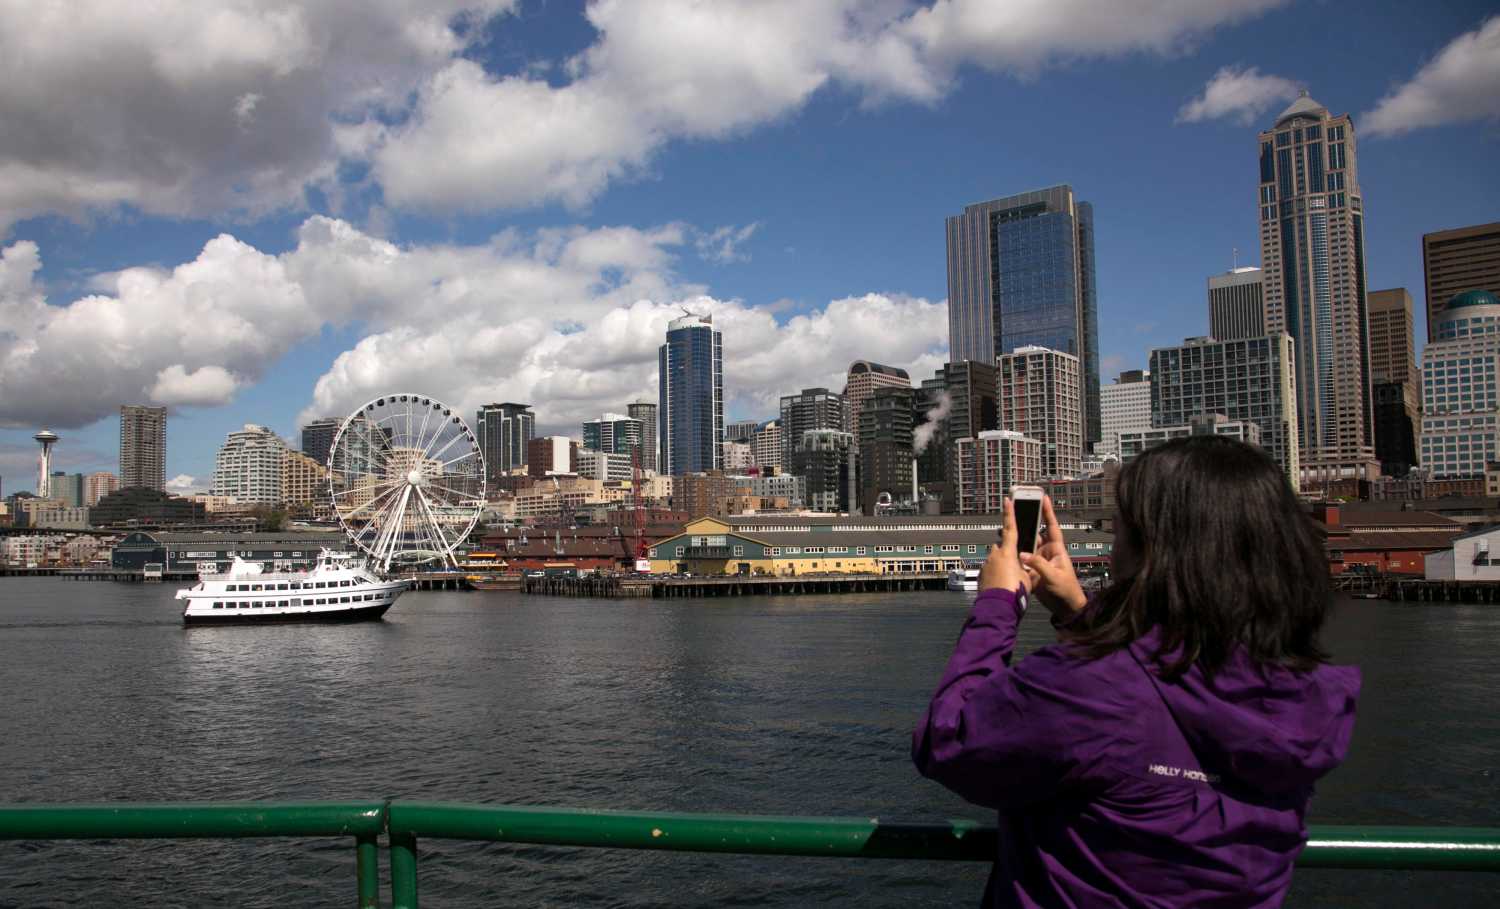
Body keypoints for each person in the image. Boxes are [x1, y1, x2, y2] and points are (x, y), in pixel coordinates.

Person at [912, 435, 1360, 907]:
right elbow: (1170, 686)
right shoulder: (1307, 696)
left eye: (1120, 531)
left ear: (1154, 551)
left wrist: (998, 604)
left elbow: (950, 741)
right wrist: (1081, 612)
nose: (1111, 551)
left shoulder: (1093, 689)